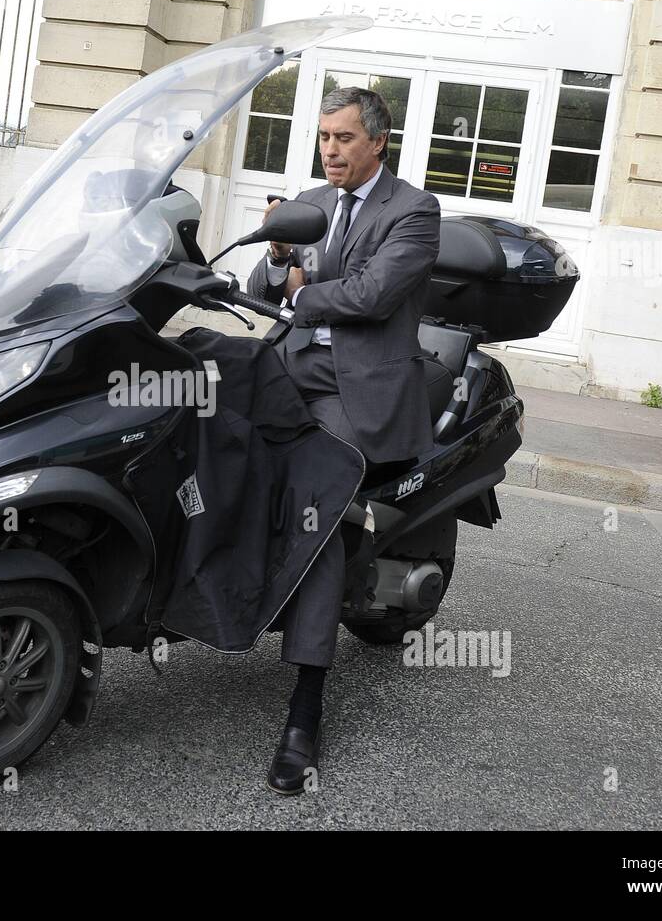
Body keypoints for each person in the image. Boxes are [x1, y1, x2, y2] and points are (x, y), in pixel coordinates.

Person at [247, 86, 441, 795]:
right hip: (288, 369)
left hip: (355, 390)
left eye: (344, 138)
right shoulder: (310, 202)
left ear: (378, 143)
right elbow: (260, 288)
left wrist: (301, 289)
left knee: (316, 507)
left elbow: (372, 295)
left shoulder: (414, 211)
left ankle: (305, 709)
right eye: (324, 136)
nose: (330, 149)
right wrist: (275, 255)